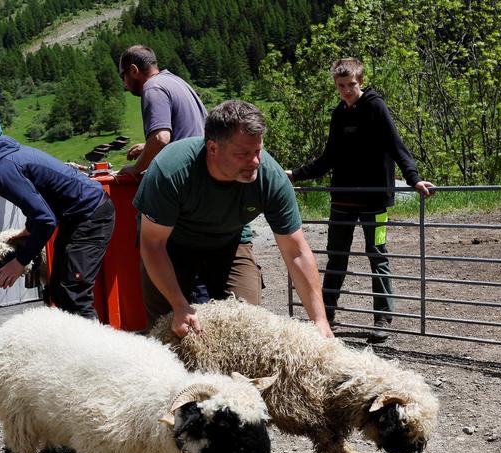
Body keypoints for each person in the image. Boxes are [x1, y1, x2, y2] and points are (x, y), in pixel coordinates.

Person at [136, 99, 333, 339]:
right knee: (170, 332)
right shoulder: (171, 171)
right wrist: (179, 305)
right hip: (170, 246)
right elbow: (152, 244)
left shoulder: (270, 177)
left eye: (258, 151)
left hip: (231, 242)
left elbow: (296, 251)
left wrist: (320, 321)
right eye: (242, 154)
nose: (255, 162)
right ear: (212, 148)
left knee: (246, 326)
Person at [286, 57, 435, 343]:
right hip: (341, 200)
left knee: (377, 255)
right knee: (336, 258)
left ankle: (382, 318)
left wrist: (414, 178)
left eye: (351, 85)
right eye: (340, 86)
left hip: (375, 200)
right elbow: (328, 158)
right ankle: (326, 315)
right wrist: (296, 174)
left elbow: (396, 145)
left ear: (361, 82)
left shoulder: (376, 107)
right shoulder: (338, 115)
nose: (346, 91)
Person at [0, 132, 115, 319]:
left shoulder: (2, 171)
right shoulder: (2, 158)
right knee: (59, 290)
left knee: (73, 294)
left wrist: (20, 262)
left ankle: (94, 346)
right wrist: (28, 231)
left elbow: (45, 220)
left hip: (90, 216)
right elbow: (40, 201)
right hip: (78, 216)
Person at [117, 45, 207, 179]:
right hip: (205, 168)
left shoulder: (152, 88)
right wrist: (148, 147)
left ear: (133, 70)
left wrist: (136, 168)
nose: (124, 84)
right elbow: (189, 133)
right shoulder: (176, 81)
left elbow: (160, 139)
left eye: (123, 76)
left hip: (187, 176)